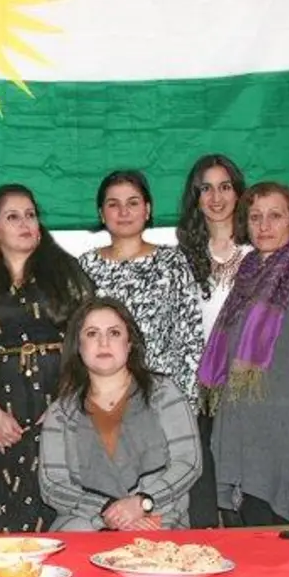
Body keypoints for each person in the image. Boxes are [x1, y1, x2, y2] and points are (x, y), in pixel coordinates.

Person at [20, 298, 201, 577]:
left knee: (138, 567)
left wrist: (141, 503)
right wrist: (109, 513)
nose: (103, 342)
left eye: (114, 332)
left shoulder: (164, 392)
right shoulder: (62, 409)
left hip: (159, 515)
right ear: (77, 347)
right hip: (87, 519)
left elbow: (189, 461)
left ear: (130, 342)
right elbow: (53, 483)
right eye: (92, 334)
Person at [201, 183, 289, 527]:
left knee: (288, 552)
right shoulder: (244, 283)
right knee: (248, 553)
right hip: (242, 440)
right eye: (255, 217)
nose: (264, 226)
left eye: (275, 216)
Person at [0, 184, 94, 535]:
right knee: (4, 505)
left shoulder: (67, 274)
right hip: (0, 407)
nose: (26, 223)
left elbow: (88, 338)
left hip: (61, 399)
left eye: (31, 215)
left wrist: (66, 401)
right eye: (13, 217)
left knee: (60, 499)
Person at [78, 170, 204, 406]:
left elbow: (191, 339)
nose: (123, 212)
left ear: (147, 210)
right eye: (113, 204)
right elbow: (76, 338)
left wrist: (188, 403)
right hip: (102, 400)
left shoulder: (173, 263)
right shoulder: (85, 266)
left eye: (133, 203)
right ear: (101, 214)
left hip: (163, 399)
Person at [175, 154, 252, 528]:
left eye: (225, 187)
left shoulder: (261, 254)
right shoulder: (180, 260)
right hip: (196, 394)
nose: (216, 198)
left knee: (241, 497)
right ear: (195, 198)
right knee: (202, 496)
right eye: (206, 189)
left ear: (239, 193)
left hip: (246, 392)